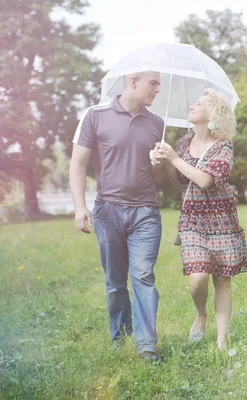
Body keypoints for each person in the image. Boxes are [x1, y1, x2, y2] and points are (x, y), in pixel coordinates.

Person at [69, 70, 166, 361]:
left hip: (145, 212)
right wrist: (79, 206)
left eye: (159, 84)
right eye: (153, 83)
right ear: (133, 81)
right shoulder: (95, 115)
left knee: (144, 276)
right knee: (115, 281)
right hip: (108, 210)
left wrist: (161, 162)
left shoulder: (157, 124)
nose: (158, 90)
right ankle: (121, 337)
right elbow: (78, 162)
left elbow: (161, 177)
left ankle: (146, 345)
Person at [155, 88, 247, 350]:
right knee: (197, 278)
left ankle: (222, 340)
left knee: (222, 279)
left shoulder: (223, 145)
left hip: (221, 220)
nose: (193, 106)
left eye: (200, 104)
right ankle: (201, 314)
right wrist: (165, 161)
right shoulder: (185, 143)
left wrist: (174, 158)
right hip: (192, 221)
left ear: (214, 114)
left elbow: (206, 180)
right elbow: (180, 183)